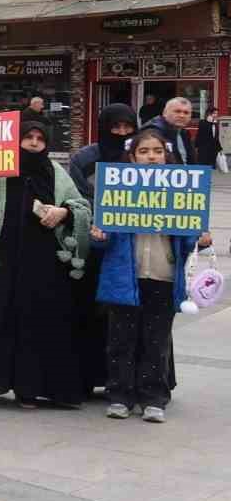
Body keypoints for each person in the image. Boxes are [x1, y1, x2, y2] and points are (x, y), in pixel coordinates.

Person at [0, 119, 91, 408]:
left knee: (34, 323)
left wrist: (63, 212)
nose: (33, 143)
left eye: (39, 139)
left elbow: (80, 206)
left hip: (40, 263)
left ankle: (30, 388)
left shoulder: (55, 172)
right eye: (27, 137)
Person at [92, 127, 212, 423]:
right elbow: (99, 241)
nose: (151, 157)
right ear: (132, 158)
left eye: (157, 151)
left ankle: (153, 397)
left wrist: (198, 236)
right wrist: (98, 235)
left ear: (166, 155)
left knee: (156, 341)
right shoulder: (115, 190)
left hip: (164, 277)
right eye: (144, 152)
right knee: (121, 340)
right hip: (124, 281)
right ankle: (120, 395)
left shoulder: (181, 190)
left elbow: (186, 241)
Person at [68, 104, 139, 396]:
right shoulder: (85, 158)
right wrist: (96, 223)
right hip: (94, 248)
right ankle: (87, 377)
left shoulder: (140, 154)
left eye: (127, 127)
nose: (122, 133)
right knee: (91, 314)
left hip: (132, 250)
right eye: (115, 127)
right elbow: (76, 198)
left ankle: (130, 381)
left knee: (129, 316)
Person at [145, 97, 196, 165]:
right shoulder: (153, 132)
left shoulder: (184, 133)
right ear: (164, 113)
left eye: (186, 113)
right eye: (177, 111)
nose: (182, 115)